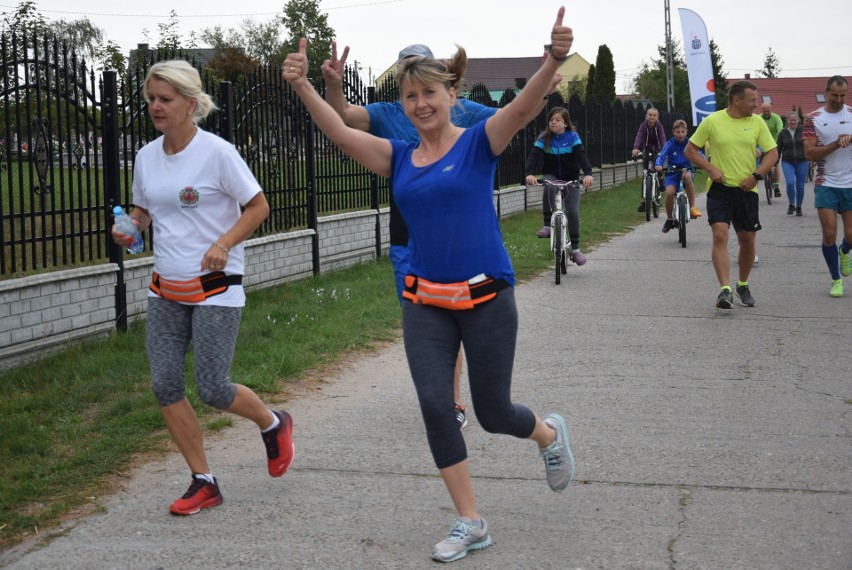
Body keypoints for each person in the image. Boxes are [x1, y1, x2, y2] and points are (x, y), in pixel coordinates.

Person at [284, 7, 575, 563]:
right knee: (437, 406)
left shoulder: (478, 143)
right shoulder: (398, 157)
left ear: (450, 94)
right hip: (425, 302)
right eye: (410, 97)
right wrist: (302, 86)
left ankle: (546, 434)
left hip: (487, 296)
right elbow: (340, 131)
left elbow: (520, 108)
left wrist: (554, 59)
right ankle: (471, 520)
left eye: (429, 93)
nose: (420, 104)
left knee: (493, 413)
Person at [321, 41, 558, 429]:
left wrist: (544, 85)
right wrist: (332, 85)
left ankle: (454, 400)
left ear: (442, 85)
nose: (419, 99)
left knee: (458, 311)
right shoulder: (386, 113)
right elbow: (342, 118)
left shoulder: (459, 109)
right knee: (430, 315)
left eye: (424, 80)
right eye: (408, 81)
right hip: (407, 228)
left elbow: (511, 116)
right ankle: (444, 401)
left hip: (457, 222)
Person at [111, 60, 295, 516]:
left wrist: (224, 243)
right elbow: (145, 211)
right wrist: (130, 227)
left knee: (213, 387)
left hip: (216, 285)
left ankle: (273, 423)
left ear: (191, 104)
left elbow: (258, 206)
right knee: (165, 384)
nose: (156, 106)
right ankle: (203, 480)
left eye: (165, 99)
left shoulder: (217, 153)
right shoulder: (146, 156)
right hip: (165, 287)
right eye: (151, 98)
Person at [684, 80, 778, 309]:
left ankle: (742, 284)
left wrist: (756, 176)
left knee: (747, 240)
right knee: (719, 235)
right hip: (720, 190)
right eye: (752, 100)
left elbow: (772, 154)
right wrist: (710, 168)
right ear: (737, 100)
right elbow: (690, 150)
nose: (756, 105)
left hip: (747, 190)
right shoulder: (713, 121)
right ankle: (724, 290)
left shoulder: (757, 123)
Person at [803, 75, 852, 298]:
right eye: (835, 95)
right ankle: (836, 280)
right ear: (826, 92)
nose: (839, 99)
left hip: (850, 183)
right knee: (829, 233)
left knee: (850, 235)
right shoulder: (813, 119)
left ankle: (844, 251)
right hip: (826, 183)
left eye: (843, 95)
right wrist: (835, 143)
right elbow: (809, 153)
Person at [524, 106, 593, 265]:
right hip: (552, 175)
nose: (553, 122)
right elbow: (533, 157)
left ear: (566, 123)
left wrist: (588, 174)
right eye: (551, 120)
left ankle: (575, 249)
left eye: (557, 120)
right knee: (549, 186)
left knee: (573, 211)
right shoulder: (544, 137)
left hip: (571, 178)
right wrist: (529, 173)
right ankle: (547, 225)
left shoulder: (572, 137)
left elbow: (582, 156)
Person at [655, 119, 702, 233]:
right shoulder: (670, 144)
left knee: (687, 177)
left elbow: (699, 154)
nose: (680, 134)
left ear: (686, 131)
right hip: (672, 172)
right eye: (678, 132)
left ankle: (692, 208)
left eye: (682, 131)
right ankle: (670, 219)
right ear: (673, 132)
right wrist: (658, 165)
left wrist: (703, 162)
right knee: (670, 193)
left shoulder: (690, 143)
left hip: (686, 170)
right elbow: (662, 155)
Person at [631, 107, 666, 212]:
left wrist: (664, 150)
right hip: (646, 150)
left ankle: (660, 180)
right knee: (645, 175)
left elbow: (662, 137)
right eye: (650, 115)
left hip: (657, 150)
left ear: (657, 117)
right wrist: (636, 148)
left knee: (658, 168)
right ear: (647, 116)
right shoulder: (643, 126)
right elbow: (639, 136)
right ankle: (643, 202)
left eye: (654, 115)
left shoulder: (659, 126)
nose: (652, 117)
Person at [776, 111, 808, 216]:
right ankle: (791, 204)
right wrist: (774, 164)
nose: (793, 122)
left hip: (802, 161)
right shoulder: (782, 133)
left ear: (798, 121)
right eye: (791, 120)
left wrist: (813, 159)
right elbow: (778, 149)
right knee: (790, 183)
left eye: (795, 120)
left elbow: (809, 146)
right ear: (787, 121)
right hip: (787, 161)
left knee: (800, 186)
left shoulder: (804, 131)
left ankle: (799, 207)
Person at [760, 102, 784, 197]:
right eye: (764, 111)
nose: (766, 112)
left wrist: (775, 143)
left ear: (771, 110)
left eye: (768, 111)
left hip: (774, 143)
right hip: (761, 144)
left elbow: (780, 130)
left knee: (775, 164)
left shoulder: (776, 118)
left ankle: (776, 186)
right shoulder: (758, 118)